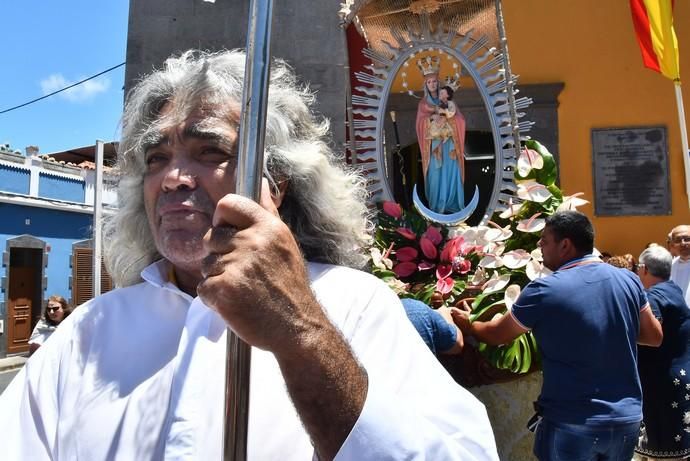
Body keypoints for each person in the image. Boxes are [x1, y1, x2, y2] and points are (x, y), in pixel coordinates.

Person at [0, 50, 498, 460]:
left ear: (275, 187)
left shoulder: (356, 306)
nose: (173, 178)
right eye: (157, 159)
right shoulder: (88, 332)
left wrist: (301, 333)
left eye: (210, 153)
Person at [452, 210, 663, 461]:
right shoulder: (628, 280)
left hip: (571, 420)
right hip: (625, 419)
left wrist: (470, 325)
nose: (539, 247)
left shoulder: (545, 289)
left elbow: (499, 335)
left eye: (544, 241)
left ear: (565, 245)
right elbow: (654, 336)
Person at [635, 246, 690, 460]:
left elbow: (652, 334)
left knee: (664, 448)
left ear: (643, 269)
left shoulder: (654, 297)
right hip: (677, 373)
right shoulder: (673, 288)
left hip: (663, 381)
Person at [415, 56, 466, 214]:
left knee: (451, 173)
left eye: (434, 81)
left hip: (449, 144)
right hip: (434, 145)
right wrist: (431, 118)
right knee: (435, 176)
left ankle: (453, 207)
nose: (432, 84)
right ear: (425, 84)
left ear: (438, 83)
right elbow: (419, 125)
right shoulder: (423, 104)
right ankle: (436, 208)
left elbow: (461, 120)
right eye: (429, 82)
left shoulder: (448, 100)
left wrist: (448, 119)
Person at [669, 225, 690, 305]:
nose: (683, 243)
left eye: (687, 239)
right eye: (678, 240)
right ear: (672, 244)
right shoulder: (668, 267)